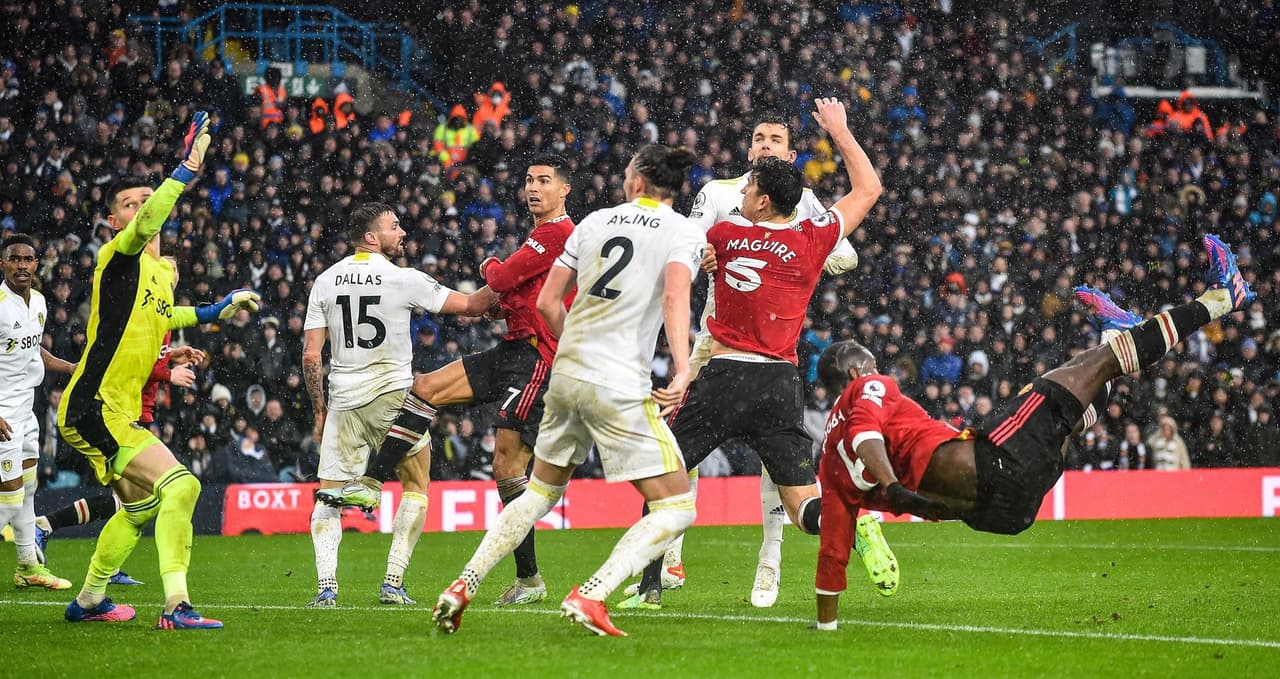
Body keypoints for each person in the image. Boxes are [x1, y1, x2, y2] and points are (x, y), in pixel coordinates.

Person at [809, 234, 1254, 630]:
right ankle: (1221, 298)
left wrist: (825, 626)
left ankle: (1117, 339)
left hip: (1004, 517)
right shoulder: (866, 387)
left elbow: (833, 547)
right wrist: (890, 484)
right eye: (870, 362)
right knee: (1083, 370)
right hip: (994, 461)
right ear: (855, 368)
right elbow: (866, 434)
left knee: (1063, 407)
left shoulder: (829, 462)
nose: (878, 369)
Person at [431, 144, 706, 637]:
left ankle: (462, 584)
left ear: (637, 182)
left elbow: (549, 301)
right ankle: (592, 593)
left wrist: (575, 345)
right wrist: (682, 369)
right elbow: (674, 297)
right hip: (617, 379)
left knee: (538, 491)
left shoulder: (594, 222)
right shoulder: (683, 231)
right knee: (677, 506)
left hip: (566, 370)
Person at [626, 98, 884, 610]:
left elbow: (681, 254)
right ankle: (851, 520)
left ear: (762, 202)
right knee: (799, 502)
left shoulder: (724, 233)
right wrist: (840, 130)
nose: (741, 191)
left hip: (723, 377)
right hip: (780, 384)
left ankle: (650, 588)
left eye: (748, 188)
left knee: (663, 474)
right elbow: (869, 189)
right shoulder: (813, 239)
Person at [328, 155, 576, 607]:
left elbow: (498, 277)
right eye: (528, 179)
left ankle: (530, 579)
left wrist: (491, 267)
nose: (533, 187)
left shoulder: (557, 234)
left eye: (544, 181)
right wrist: (488, 300)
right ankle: (370, 482)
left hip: (539, 359)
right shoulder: (540, 236)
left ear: (564, 191)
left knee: (506, 469)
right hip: (512, 350)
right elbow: (497, 298)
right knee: (425, 387)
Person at [60, 111, 262, 629]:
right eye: (129, 204)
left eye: (143, 201)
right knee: (183, 486)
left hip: (115, 407)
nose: (140, 209)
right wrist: (188, 167)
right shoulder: (118, 256)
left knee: (136, 510)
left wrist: (217, 310)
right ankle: (176, 606)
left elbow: (165, 317)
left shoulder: (160, 272)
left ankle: (87, 600)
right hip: (95, 407)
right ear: (114, 221)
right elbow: (151, 219)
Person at [302, 201, 498, 608]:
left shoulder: (325, 280)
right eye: (394, 227)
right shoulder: (404, 279)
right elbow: (473, 306)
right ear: (372, 238)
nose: (402, 232)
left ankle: (326, 588)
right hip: (393, 397)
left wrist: (319, 410)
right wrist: (508, 275)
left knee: (329, 496)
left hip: (343, 400)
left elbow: (310, 356)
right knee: (415, 485)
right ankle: (392, 582)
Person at [36, 255, 200, 588]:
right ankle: (55, 533)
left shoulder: (162, 315)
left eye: (175, 270)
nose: (170, 275)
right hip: (122, 408)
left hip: (136, 408)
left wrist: (172, 356)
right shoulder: (146, 309)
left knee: (132, 502)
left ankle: (95, 568)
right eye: (164, 268)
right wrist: (170, 372)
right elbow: (133, 361)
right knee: (143, 499)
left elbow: (149, 355)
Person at [0, 234, 76, 590]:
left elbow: (36, 353)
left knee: (27, 490)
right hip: (2, 415)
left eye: (27, 259)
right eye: (14, 259)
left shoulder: (41, 303)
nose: (21, 266)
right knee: (10, 496)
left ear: (36, 264)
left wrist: (72, 367)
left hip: (26, 410)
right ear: (3, 264)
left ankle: (28, 566)